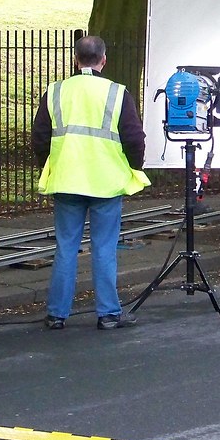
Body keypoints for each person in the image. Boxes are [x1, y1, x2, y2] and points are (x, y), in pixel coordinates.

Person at [31, 35, 150, 331]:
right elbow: (134, 137)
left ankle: (56, 314)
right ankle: (109, 313)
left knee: (66, 248)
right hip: (105, 181)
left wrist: (52, 163)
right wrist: (133, 166)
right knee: (104, 249)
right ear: (104, 60)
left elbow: (40, 137)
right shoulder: (117, 93)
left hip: (67, 180)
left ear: (75, 59)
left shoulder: (55, 91)